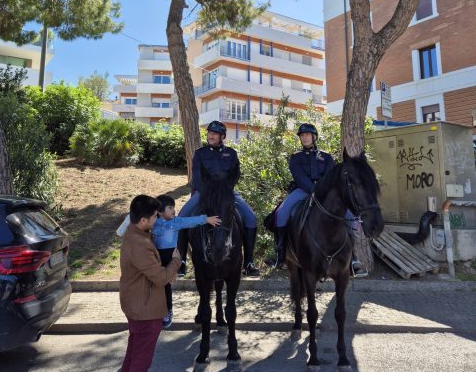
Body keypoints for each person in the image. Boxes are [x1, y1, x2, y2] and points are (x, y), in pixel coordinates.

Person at [116, 194, 181, 372]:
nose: (157, 220)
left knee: (131, 363)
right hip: (146, 312)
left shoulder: (135, 233)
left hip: (136, 307)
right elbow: (162, 277)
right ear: (144, 219)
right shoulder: (141, 244)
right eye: (155, 217)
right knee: (139, 369)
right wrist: (175, 261)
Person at [269, 123, 367, 277]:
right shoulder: (296, 157)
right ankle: (280, 255)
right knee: (281, 213)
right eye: (302, 135)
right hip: (302, 190)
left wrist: (322, 190)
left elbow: (330, 176)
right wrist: (313, 190)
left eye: (307, 135)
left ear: (314, 137)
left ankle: (353, 259)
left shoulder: (326, 157)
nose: (305, 137)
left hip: (326, 192)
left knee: (349, 215)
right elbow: (299, 177)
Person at [177, 120, 260, 277]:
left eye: (214, 133)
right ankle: (181, 261)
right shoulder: (200, 153)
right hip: (204, 193)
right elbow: (197, 176)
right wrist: (208, 191)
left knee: (251, 218)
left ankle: (248, 262)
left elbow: (235, 175)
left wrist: (224, 190)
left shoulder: (231, 153)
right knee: (182, 217)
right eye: (209, 133)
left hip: (227, 193)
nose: (210, 136)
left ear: (222, 136)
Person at [153, 194, 220, 329]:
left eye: (174, 207)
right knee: (155, 287)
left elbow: (190, 221)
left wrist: (206, 219)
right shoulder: (153, 222)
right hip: (155, 258)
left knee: (166, 286)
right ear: (159, 212)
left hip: (170, 258)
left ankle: (168, 312)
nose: (174, 210)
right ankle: (155, 311)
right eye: (170, 208)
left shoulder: (176, 222)